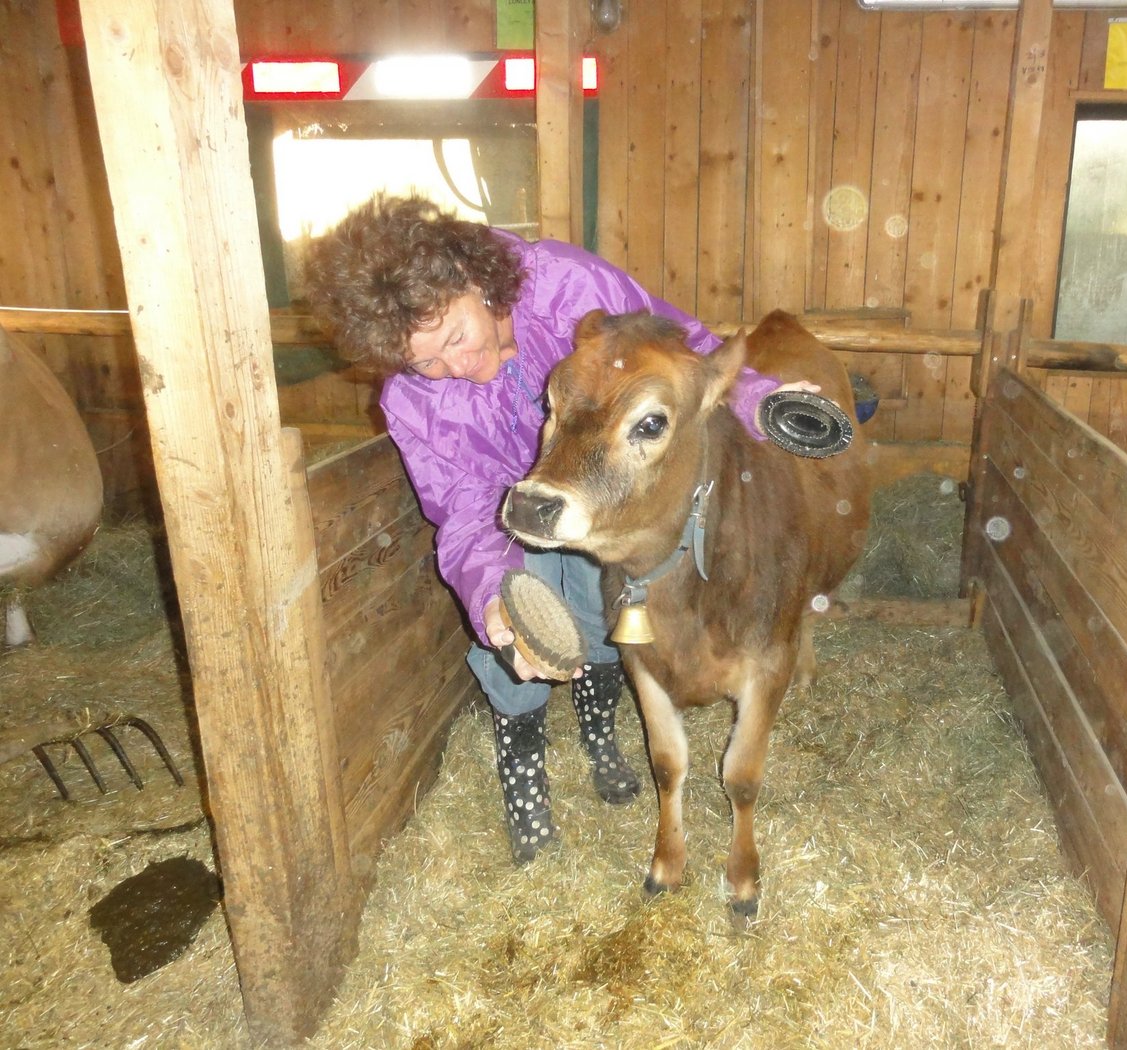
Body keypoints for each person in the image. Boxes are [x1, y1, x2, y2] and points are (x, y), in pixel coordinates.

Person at [305, 192, 803, 864]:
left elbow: (688, 355)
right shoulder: (411, 401)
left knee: (604, 608)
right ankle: (521, 761)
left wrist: (763, 398)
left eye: (454, 337)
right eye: (422, 361)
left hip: (606, 491)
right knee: (517, 623)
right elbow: (460, 504)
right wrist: (492, 595)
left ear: (476, 283)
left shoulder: (568, 287)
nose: (451, 367)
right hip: (511, 509)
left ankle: (598, 720)